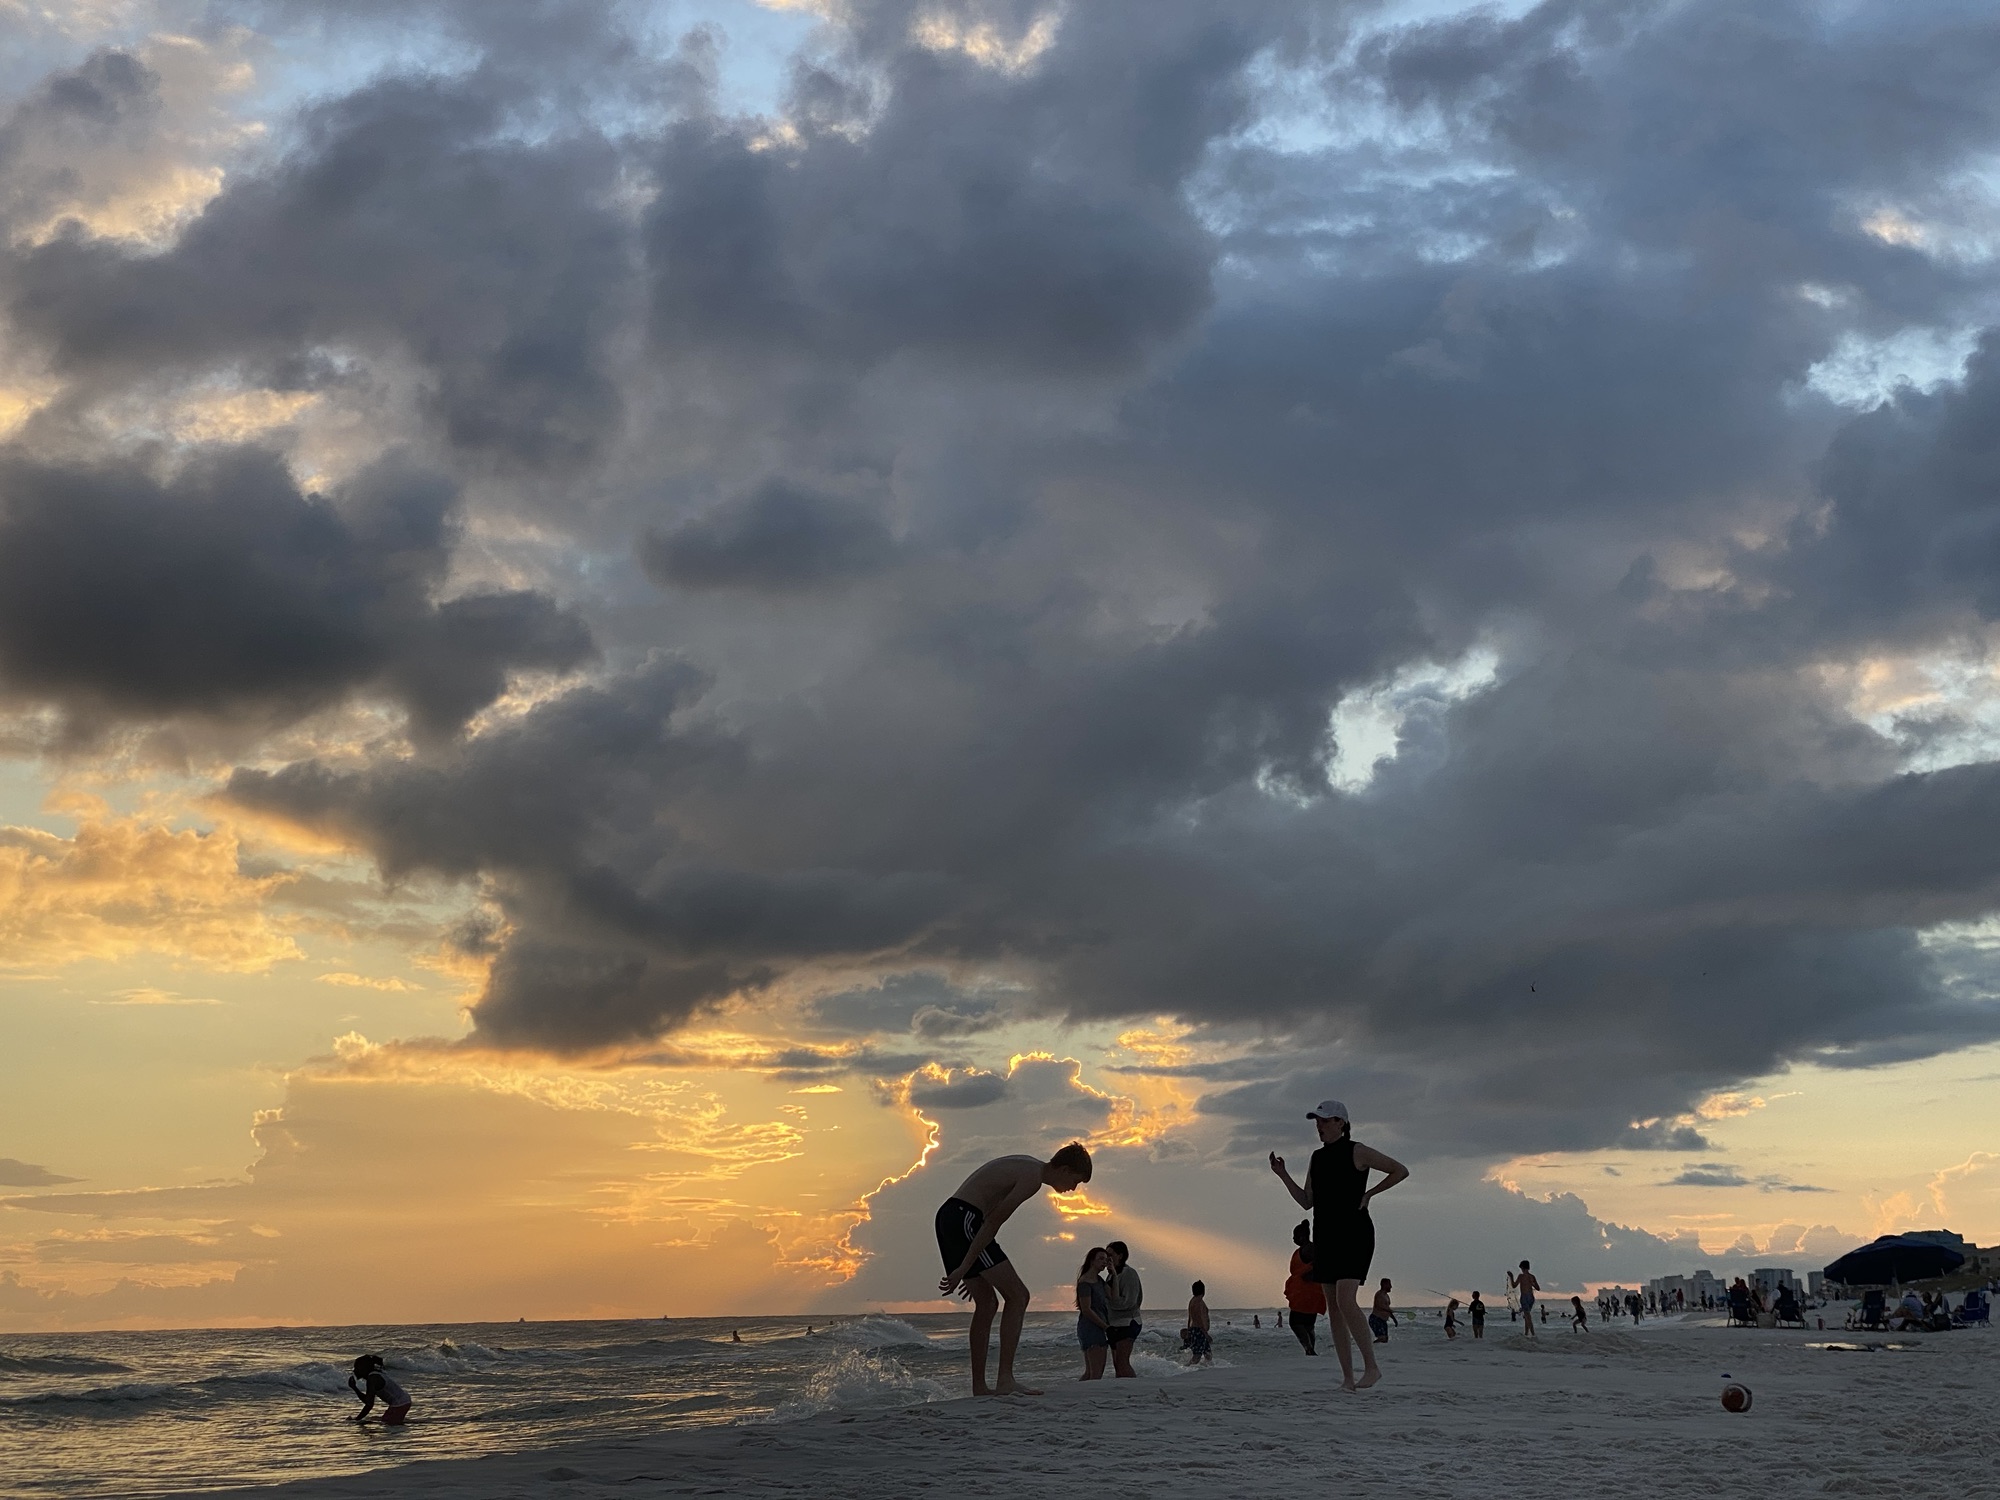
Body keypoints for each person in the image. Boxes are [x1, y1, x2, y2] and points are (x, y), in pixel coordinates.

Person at [1270, 1099, 1410, 1392]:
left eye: (1324, 1120)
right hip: (1326, 1237)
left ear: (1341, 1123)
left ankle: (1371, 1367)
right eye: (1316, 1121)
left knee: (1346, 1300)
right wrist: (1283, 1175)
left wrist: (1370, 1193)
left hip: (1355, 1233)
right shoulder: (1316, 1158)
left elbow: (1399, 1170)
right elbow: (1307, 1202)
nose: (1319, 1126)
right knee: (1334, 1308)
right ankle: (1348, 1378)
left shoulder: (1357, 1151)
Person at [936, 1142, 1093, 1397]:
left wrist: (969, 1265)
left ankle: (980, 1387)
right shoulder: (1031, 1178)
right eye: (1075, 1181)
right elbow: (993, 1221)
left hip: (952, 1217)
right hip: (966, 1219)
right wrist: (966, 1265)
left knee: (987, 1304)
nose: (1073, 1189)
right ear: (1064, 1170)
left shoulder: (1029, 1165)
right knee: (1019, 1296)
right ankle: (1005, 1381)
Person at [1283, 1219, 1324, 1355]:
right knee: (1308, 1324)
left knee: (1295, 1322)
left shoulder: (1308, 1249)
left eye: (1295, 1236)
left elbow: (1321, 1263)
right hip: (1310, 1292)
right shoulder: (1305, 1249)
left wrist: (1311, 1274)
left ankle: (1309, 1348)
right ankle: (1310, 1349)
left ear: (1302, 1236)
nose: (1293, 1239)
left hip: (1306, 1293)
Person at [1104, 1240, 1144, 1378]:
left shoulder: (1129, 1273)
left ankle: (1133, 1387)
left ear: (1120, 1255)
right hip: (1114, 1324)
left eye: (1110, 1254)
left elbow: (1129, 1302)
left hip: (1128, 1323)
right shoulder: (1111, 1274)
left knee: (1122, 1362)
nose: (1107, 1257)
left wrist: (1110, 1302)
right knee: (1116, 1363)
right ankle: (1122, 1389)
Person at [1075, 1246, 1113, 1379]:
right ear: (1092, 1261)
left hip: (1099, 1324)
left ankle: (1078, 1393)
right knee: (1096, 1373)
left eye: (1106, 1259)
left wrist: (1113, 1273)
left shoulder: (1099, 1280)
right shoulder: (1085, 1282)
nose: (1104, 1262)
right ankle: (1085, 1395)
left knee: (1091, 1372)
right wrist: (1105, 1327)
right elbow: (1086, 1309)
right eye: (1101, 1259)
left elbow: (1113, 1296)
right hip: (1091, 1327)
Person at [347, 1355, 410, 1425]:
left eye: (356, 1368)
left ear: (364, 1368)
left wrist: (357, 1420)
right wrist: (354, 1388)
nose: (354, 1370)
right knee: (385, 1421)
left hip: (400, 1403)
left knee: (388, 1425)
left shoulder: (373, 1379)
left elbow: (369, 1404)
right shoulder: (374, 1375)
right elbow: (368, 1401)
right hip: (402, 1401)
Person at [1508, 1261, 1541, 1340]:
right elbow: (1538, 1288)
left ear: (1522, 1268)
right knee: (1527, 1316)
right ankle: (1526, 1334)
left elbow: (1514, 1285)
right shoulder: (1532, 1276)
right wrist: (1532, 1283)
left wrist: (1511, 1276)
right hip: (1531, 1297)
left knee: (1528, 1316)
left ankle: (1533, 1334)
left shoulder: (1521, 1276)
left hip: (1525, 1297)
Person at [1185, 1280, 1213, 1365]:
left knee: (1208, 1355)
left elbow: (1190, 1318)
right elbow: (1198, 1318)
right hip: (1199, 1331)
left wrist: (1188, 1330)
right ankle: (1186, 1369)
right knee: (1197, 1356)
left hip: (1196, 1330)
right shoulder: (1198, 1302)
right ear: (1203, 1290)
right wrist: (1205, 1333)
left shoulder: (1194, 1300)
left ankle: (1205, 1370)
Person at [1368, 1279, 1396, 1344]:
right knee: (1382, 1338)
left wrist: (1394, 1319)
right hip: (1376, 1319)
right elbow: (1380, 1306)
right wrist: (1390, 1310)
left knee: (1385, 1340)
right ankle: (1369, 1347)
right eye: (1389, 1284)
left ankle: (1379, 1353)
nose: (1391, 1286)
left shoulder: (1386, 1296)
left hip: (1383, 1321)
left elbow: (1387, 1308)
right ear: (1384, 1285)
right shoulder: (1379, 1294)